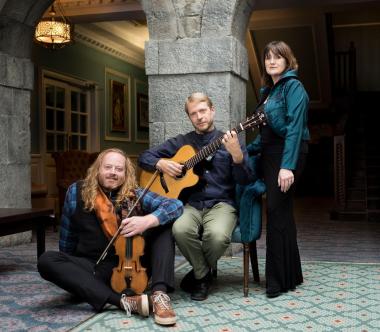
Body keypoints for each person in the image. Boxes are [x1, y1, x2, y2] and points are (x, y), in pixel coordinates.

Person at [38, 148, 183, 326]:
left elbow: (175, 205)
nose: (113, 173)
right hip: (94, 267)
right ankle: (123, 302)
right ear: (97, 169)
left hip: (134, 265)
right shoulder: (76, 192)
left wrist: (147, 220)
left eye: (119, 169)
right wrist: (70, 272)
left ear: (126, 173)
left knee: (164, 225)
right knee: (47, 260)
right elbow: (67, 239)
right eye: (108, 167)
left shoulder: (134, 193)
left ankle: (160, 294)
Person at [138, 92, 253, 301]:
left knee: (217, 237)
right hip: (190, 204)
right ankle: (203, 275)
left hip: (221, 204)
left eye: (203, 111)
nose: (199, 117)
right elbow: (144, 157)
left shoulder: (230, 141)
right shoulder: (182, 142)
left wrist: (237, 157)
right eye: (194, 114)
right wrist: (161, 163)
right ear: (189, 118)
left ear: (212, 110)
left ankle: (198, 275)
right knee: (179, 229)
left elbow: (245, 180)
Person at [252, 41, 310, 298]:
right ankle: (290, 275)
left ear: (287, 61)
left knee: (276, 212)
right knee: (282, 212)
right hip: (269, 155)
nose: (272, 61)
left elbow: (295, 129)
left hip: (288, 154)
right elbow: (263, 133)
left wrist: (287, 166)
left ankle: (276, 282)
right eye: (268, 57)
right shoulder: (267, 92)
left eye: (278, 57)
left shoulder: (294, 87)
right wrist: (245, 150)